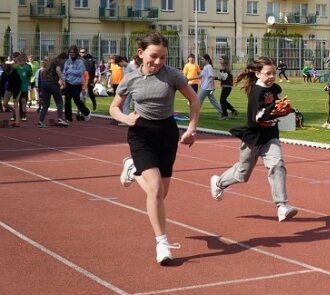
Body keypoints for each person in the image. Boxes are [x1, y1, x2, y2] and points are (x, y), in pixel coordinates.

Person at [112, 32, 200, 265]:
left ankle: (132, 170)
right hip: (141, 133)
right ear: (141, 54)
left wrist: (191, 129)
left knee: (161, 193)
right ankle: (162, 242)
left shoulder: (172, 75)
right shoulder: (130, 79)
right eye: (154, 56)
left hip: (167, 133)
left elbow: (194, 100)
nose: (158, 62)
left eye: (163, 57)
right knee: (156, 189)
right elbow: (114, 107)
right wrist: (124, 118)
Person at [209, 56, 298, 223]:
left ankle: (282, 206)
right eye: (268, 73)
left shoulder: (275, 88)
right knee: (242, 174)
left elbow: (276, 106)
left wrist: (285, 111)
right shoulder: (256, 93)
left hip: (270, 136)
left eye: (274, 73)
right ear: (258, 74)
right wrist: (273, 111)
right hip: (253, 138)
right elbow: (256, 118)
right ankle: (219, 182)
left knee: (277, 165)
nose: (272, 76)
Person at [37, 55, 69, 128]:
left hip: (44, 84)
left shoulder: (46, 67)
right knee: (59, 102)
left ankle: (40, 121)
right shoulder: (57, 63)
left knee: (46, 104)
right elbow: (58, 70)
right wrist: (63, 80)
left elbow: (41, 75)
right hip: (53, 84)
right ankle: (60, 118)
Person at [62, 46, 91, 122]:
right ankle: (68, 118)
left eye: (73, 52)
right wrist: (64, 80)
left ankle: (86, 112)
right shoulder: (67, 62)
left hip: (77, 84)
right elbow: (64, 72)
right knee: (67, 100)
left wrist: (70, 71)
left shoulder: (80, 62)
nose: (71, 54)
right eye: (70, 52)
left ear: (76, 53)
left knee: (77, 100)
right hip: (68, 83)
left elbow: (80, 72)